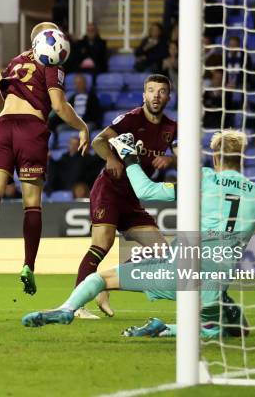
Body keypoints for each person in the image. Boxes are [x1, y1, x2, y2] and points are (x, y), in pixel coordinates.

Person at [21, 130, 255, 334]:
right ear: (242, 158)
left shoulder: (204, 179)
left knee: (100, 280)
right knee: (227, 324)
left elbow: (148, 193)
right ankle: (174, 328)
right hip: (218, 278)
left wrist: (130, 157)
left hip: (182, 266)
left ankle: (67, 309)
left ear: (215, 157)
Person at [0, 21, 90, 295]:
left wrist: (6, 107)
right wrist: (82, 127)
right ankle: (28, 264)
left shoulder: (15, 62)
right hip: (31, 129)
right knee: (31, 203)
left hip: (3, 126)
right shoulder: (51, 63)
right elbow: (58, 106)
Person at [71, 74, 177, 319]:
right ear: (144, 95)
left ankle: (103, 281)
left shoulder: (172, 128)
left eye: (161, 91)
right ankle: (77, 306)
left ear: (168, 97)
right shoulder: (130, 119)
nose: (156, 95)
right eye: (151, 90)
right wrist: (109, 158)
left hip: (132, 199)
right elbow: (99, 140)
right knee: (102, 244)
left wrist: (171, 158)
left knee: (161, 251)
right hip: (109, 190)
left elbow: (185, 154)